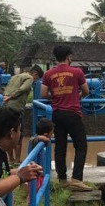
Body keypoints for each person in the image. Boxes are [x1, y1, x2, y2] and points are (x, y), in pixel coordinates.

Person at [40, 45, 93, 191]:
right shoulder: (77, 72)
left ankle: (62, 179)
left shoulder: (48, 74)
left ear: (55, 57)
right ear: (69, 57)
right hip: (73, 114)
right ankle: (76, 179)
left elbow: (43, 94)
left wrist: (56, 95)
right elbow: (86, 90)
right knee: (81, 145)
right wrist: (77, 96)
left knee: (60, 147)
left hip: (57, 114)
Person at [3, 64, 44, 166]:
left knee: (8, 133)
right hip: (16, 108)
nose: (35, 81)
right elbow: (23, 89)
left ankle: (10, 160)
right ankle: (17, 161)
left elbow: (7, 89)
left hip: (6, 107)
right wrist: (11, 96)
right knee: (18, 134)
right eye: (37, 78)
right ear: (34, 73)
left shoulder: (15, 77)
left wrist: (7, 97)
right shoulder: (29, 78)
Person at [25, 118, 54, 206]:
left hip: (39, 174)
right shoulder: (34, 142)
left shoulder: (41, 144)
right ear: (46, 134)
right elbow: (33, 139)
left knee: (35, 196)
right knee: (31, 198)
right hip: (35, 175)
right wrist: (44, 138)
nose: (52, 136)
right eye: (51, 134)